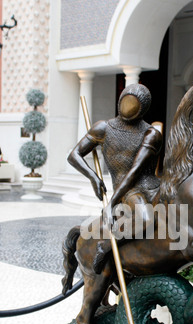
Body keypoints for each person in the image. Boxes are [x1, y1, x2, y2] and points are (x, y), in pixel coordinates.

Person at [68, 83, 162, 272]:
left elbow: (136, 169)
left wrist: (111, 201)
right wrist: (93, 177)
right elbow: (74, 155)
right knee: (145, 219)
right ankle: (106, 246)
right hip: (132, 191)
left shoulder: (150, 133)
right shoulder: (103, 128)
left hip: (152, 186)